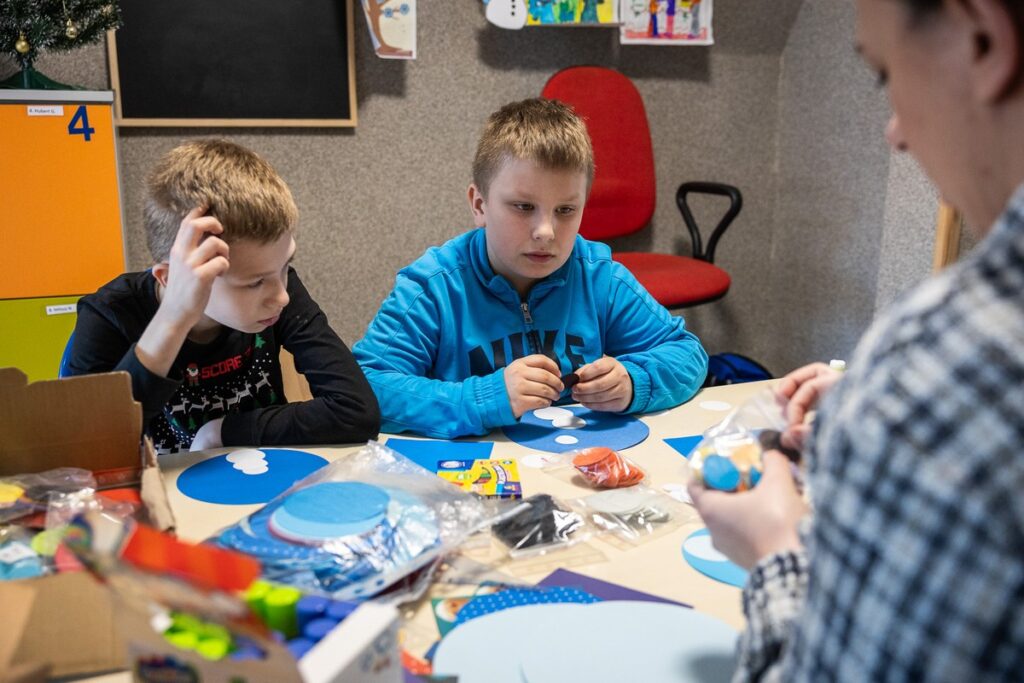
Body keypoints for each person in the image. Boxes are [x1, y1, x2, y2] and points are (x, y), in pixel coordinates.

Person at [690, 0, 1024, 679]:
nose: (896, 133)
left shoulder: (939, 365)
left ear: (984, 39)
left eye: (884, 74)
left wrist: (776, 549)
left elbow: (675, 354)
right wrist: (868, 409)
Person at [354, 98, 708, 439]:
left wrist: (634, 382)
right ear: (479, 204)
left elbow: (687, 353)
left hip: (574, 468)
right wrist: (483, 400)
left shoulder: (598, 276)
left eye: (566, 210)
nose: (546, 232)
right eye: (523, 207)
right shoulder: (434, 286)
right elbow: (364, 385)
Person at [66, 140, 380, 454]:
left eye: (286, 266)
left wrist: (222, 432)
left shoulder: (278, 288)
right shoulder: (109, 314)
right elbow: (85, 450)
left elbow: (356, 411)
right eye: (254, 283)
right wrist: (174, 317)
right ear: (171, 277)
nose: (281, 296)